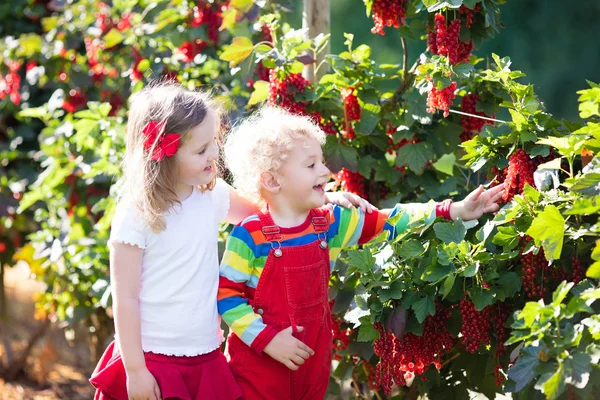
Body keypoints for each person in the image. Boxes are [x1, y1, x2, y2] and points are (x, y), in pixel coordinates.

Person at [89, 82, 369, 400]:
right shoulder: (137, 213)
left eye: (213, 143)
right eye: (200, 150)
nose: (213, 155)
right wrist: (136, 371)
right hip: (153, 360)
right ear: (163, 154)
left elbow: (271, 212)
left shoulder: (212, 194)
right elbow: (125, 299)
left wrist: (321, 197)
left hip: (206, 356)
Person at [218, 106, 504, 400]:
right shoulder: (249, 234)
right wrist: (268, 340)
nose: (325, 171)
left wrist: (453, 210)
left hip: (312, 363)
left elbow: (390, 221)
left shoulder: (328, 223)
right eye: (310, 165)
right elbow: (227, 297)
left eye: (321, 161)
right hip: (259, 369)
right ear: (273, 181)